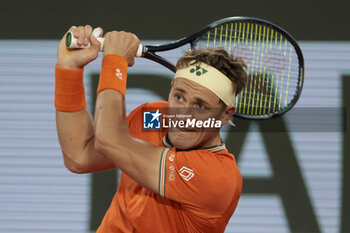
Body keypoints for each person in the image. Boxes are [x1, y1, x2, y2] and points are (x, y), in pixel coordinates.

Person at [55, 25, 247, 233]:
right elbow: (79, 157)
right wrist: (69, 69)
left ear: (225, 114)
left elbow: (109, 139)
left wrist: (115, 62)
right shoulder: (155, 118)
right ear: (171, 88)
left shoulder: (217, 177)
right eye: (179, 97)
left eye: (200, 106)